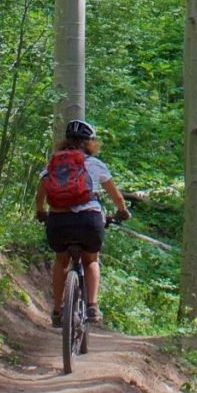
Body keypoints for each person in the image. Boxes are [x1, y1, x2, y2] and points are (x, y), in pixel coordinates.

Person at [36, 119, 128, 326]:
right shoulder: (95, 164)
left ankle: (58, 310)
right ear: (90, 142)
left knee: (61, 261)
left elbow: (40, 194)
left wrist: (41, 212)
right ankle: (93, 306)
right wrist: (123, 213)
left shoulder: (53, 163)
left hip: (59, 221)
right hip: (89, 221)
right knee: (91, 260)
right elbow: (117, 197)